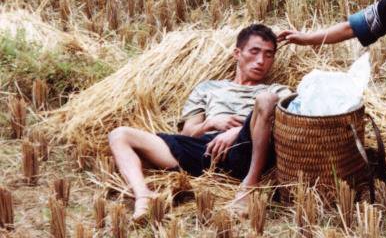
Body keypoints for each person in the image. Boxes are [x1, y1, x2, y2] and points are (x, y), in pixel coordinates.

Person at [108, 24, 291, 220]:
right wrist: (210, 123)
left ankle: (249, 186)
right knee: (119, 135)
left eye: (269, 54)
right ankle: (144, 196)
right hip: (204, 149)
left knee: (266, 99)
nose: (261, 60)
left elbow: (286, 127)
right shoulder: (208, 88)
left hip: (247, 148)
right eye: (254, 52)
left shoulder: (277, 90)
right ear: (237, 53)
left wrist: (237, 131)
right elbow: (188, 133)